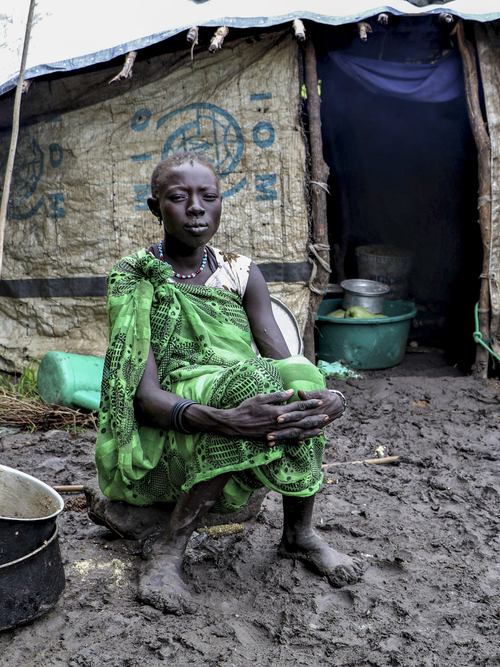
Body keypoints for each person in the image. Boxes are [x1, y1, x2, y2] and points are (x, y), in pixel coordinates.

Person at [92, 152, 365, 614]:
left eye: (208, 197)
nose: (196, 208)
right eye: (179, 198)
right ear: (155, 206)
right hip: (174, 415)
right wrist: (227, 421)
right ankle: (168, 550)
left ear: (220, 204)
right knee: (254, 383)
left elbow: (285, 359)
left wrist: (324, 397)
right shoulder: (134, 276)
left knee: (297, 383)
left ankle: (299, 535)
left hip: (244, 394)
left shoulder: (240, 270)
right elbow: (143, 398)